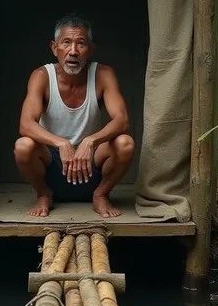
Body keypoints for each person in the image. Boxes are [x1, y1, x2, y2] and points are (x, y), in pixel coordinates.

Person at [14, 13, 135, 218]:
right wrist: (61, 143)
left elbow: (122, 120)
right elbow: (25, 124)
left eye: (81, 44)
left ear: (91, 50)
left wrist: (90, 141)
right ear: (54, 48)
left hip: (90, 163)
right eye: (66, 43)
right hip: (53, 164)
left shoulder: (102, 74)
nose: (73, 51)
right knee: (23, 146)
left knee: (125, 144)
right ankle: (44, 194)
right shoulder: (42, 76)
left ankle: (101, 195)